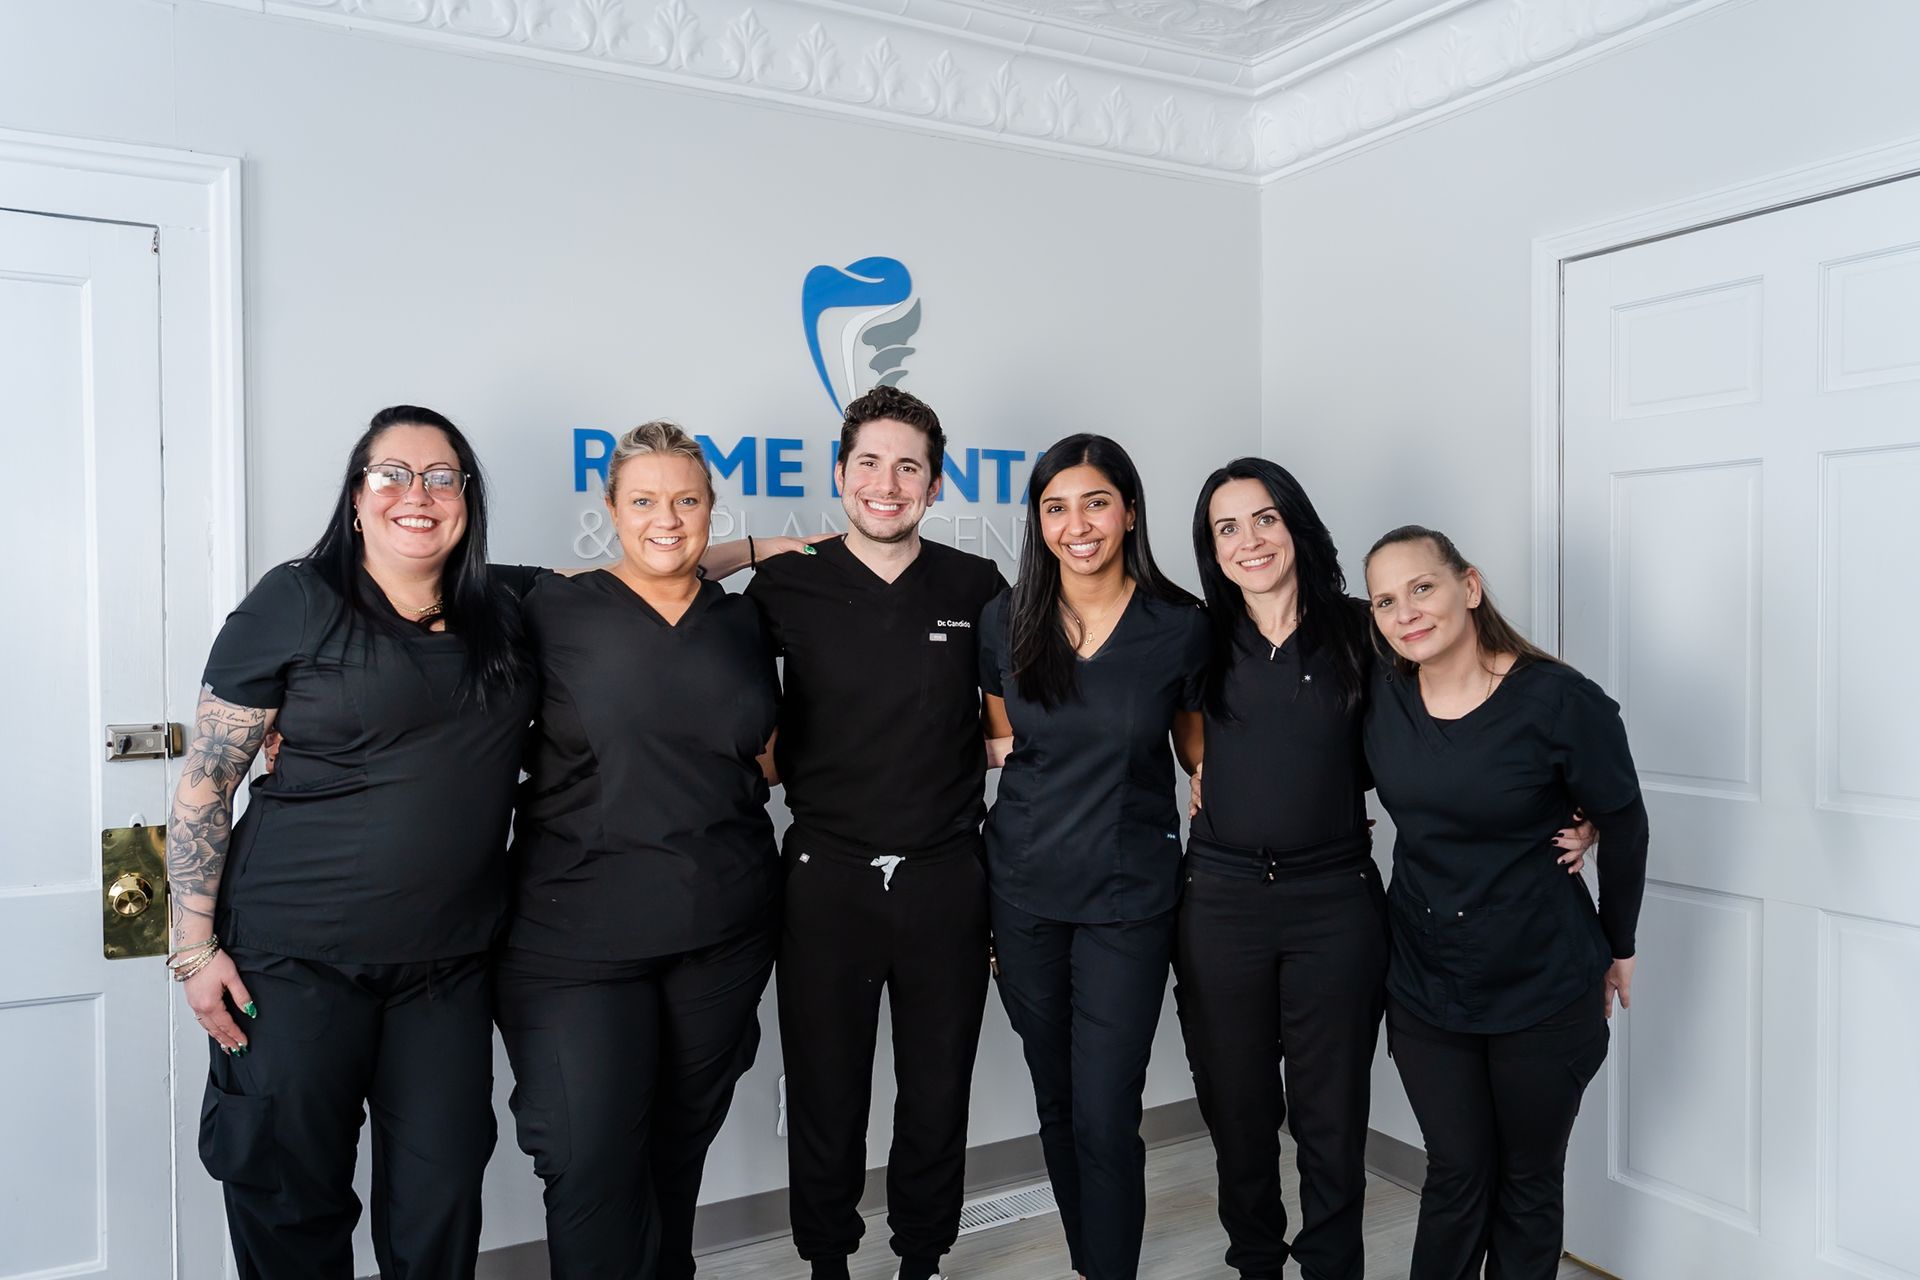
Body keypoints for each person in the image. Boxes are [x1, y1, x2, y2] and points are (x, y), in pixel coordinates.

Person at [165, 405, 536, 1280]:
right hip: (289, 962)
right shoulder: (295, 599)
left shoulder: (508, 604)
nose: (419, 494)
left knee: (439, 1203)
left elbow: (642, 577)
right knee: (289, 1197)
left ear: (468, 498)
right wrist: (191, 950)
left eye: (443, 477)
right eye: (393, 474)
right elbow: (207, 783)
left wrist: (759, 554)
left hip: (445, 971)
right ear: (358, 494)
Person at [495, 421, 781, 1280]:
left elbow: (764, 754)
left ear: (710, 510)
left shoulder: (745, 625)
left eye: (687, 501)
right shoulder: (548, 606)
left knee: (675, 1146)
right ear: (610, 511)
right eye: (645, 500)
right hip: (574, 937)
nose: (668, 519)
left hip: (721, 929)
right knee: (588, 1160)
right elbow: (412, 592)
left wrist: (763, 550)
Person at [745, 386, 1007, 1280]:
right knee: (826, 1093)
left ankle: (920, 1259)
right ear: (840, 473)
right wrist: (748, 547)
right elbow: (666, 581)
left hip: (947, 878)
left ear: (935, 486)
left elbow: (1014, 725)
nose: (886, 483)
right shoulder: (790, 580)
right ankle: (826, 1261)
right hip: (827, 878)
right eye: (869, 463)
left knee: (937, 1093)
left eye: (909, 467)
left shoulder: (976, 586)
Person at [1361, 525, 1648, 1280]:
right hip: (1427, 984)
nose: (1406, 612)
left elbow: (1624, 819)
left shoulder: (1558, 700)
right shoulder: (1383, 698)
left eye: (1421, 587)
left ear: (1470, 586)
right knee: (1457, 1174)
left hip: (1543, 981)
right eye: (1385, 601)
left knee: (1526, 1181)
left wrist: (1620, 944)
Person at [978, 434, 1208, 1280]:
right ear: (1038, 522)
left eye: (1096, 502)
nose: (1078, 525)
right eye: (1055, 507)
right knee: (1058, 1100)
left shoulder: (1179, 628)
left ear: (1130, 510)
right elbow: (1005, 746)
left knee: (1106, 1111)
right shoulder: (1006, 621)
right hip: (1026, 893)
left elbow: (1199, 758)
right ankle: (1088, 1263)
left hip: (1129, 899)